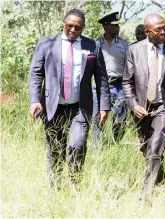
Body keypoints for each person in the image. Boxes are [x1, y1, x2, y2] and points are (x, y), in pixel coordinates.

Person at [28, 9, 110, 187]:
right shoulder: (46, 44)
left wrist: (104, 106)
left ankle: (75, 184)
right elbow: (36, 74)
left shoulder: (92, 46)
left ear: (83, 27)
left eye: (77, 27)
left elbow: (102, 78)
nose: (73, 30)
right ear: (63, 23)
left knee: (77, 145)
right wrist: (34, 100)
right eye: (69, 26)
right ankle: (56, 186)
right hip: (52, 106)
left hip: (79, 107)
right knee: (55, 149)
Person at [123, 13, 165, 200]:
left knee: (156, 148)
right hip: (142, 110)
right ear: (147, 32)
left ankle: (145, 194)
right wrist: (134, 105)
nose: (163, 32)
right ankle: (164, 186)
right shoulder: (134, 50)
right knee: (147, 150)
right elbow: (127, 83)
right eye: (158, 29)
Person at [93, 12, 129, 145]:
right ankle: (97, 149)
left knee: (120, 119)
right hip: (100, 85)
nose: (117, 27)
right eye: (114, 25)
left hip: (119, 85)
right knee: (98, 117)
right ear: (105, 26)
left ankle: (115, 145)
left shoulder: (125, 45)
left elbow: (130, 67)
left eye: (118, 25)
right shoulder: (96, 44)